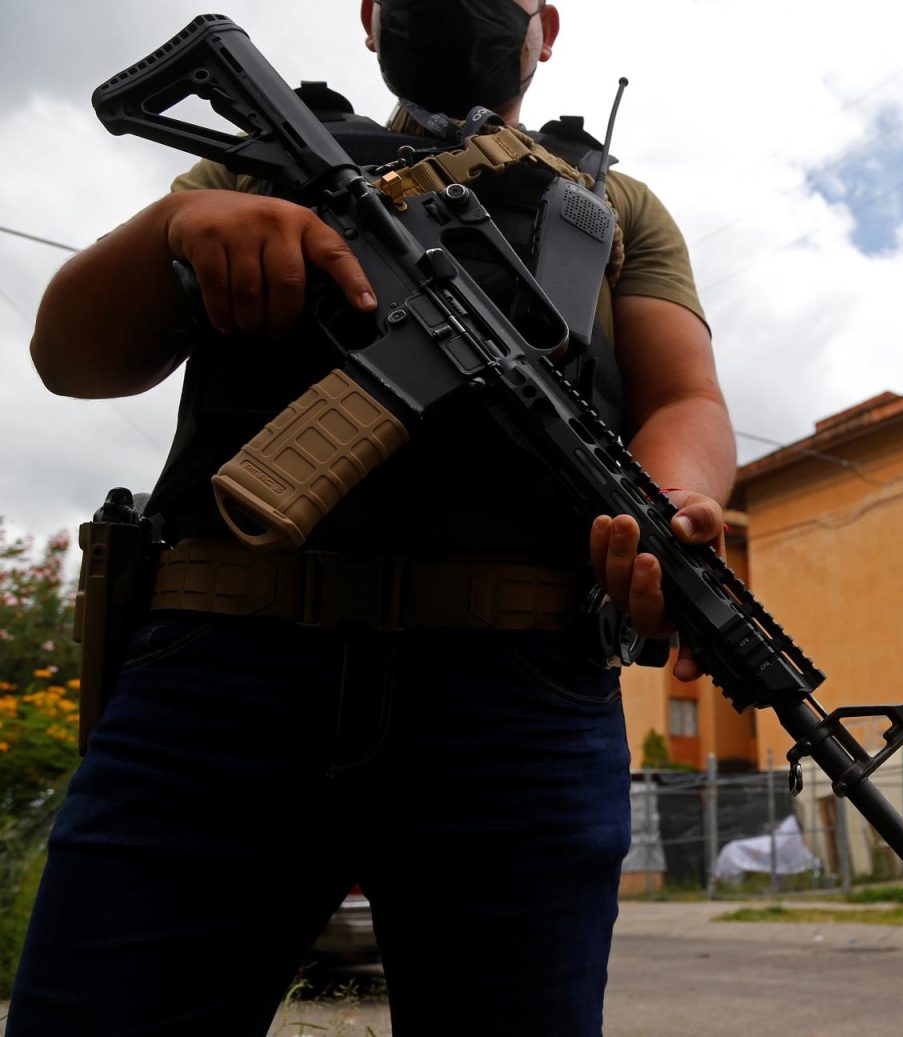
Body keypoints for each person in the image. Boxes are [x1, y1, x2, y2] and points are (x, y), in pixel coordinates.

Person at [10, 3, 732, 1034]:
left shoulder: (613, 204)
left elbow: (683, 401)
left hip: (516, 696)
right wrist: (172, 232)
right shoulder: (266, 155)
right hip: (222, 675)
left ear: (549, 25)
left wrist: (675, 507)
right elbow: (69, 359)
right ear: (369, 16)